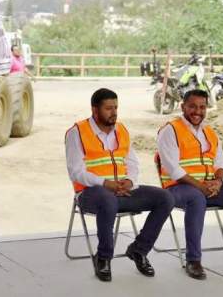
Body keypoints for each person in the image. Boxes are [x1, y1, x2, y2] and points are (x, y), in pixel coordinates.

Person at [65, 88, 175, 282]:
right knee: (108, 200)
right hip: (90, 193)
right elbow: (76, 172)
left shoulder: (121, 130)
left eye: (116, 107)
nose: (114, 112)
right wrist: (105, 184)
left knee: (165, 198)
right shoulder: (77, 133)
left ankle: (139, 250)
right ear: (95, 110)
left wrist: (130, 181)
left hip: (122, 191)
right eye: (108, 108)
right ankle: (103, 257)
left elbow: (133, 163)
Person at [156, 89, 223, 280]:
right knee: (197, 199)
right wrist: (201, 187)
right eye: (192, 106)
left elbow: (221, 164)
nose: (197, 111)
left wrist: (218, 181)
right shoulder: (170, 130)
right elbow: (173, 169)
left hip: (208, 186)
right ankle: (193, 260)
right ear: (183, 107)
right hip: (178, 188)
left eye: (202, 107)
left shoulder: (209, 132)